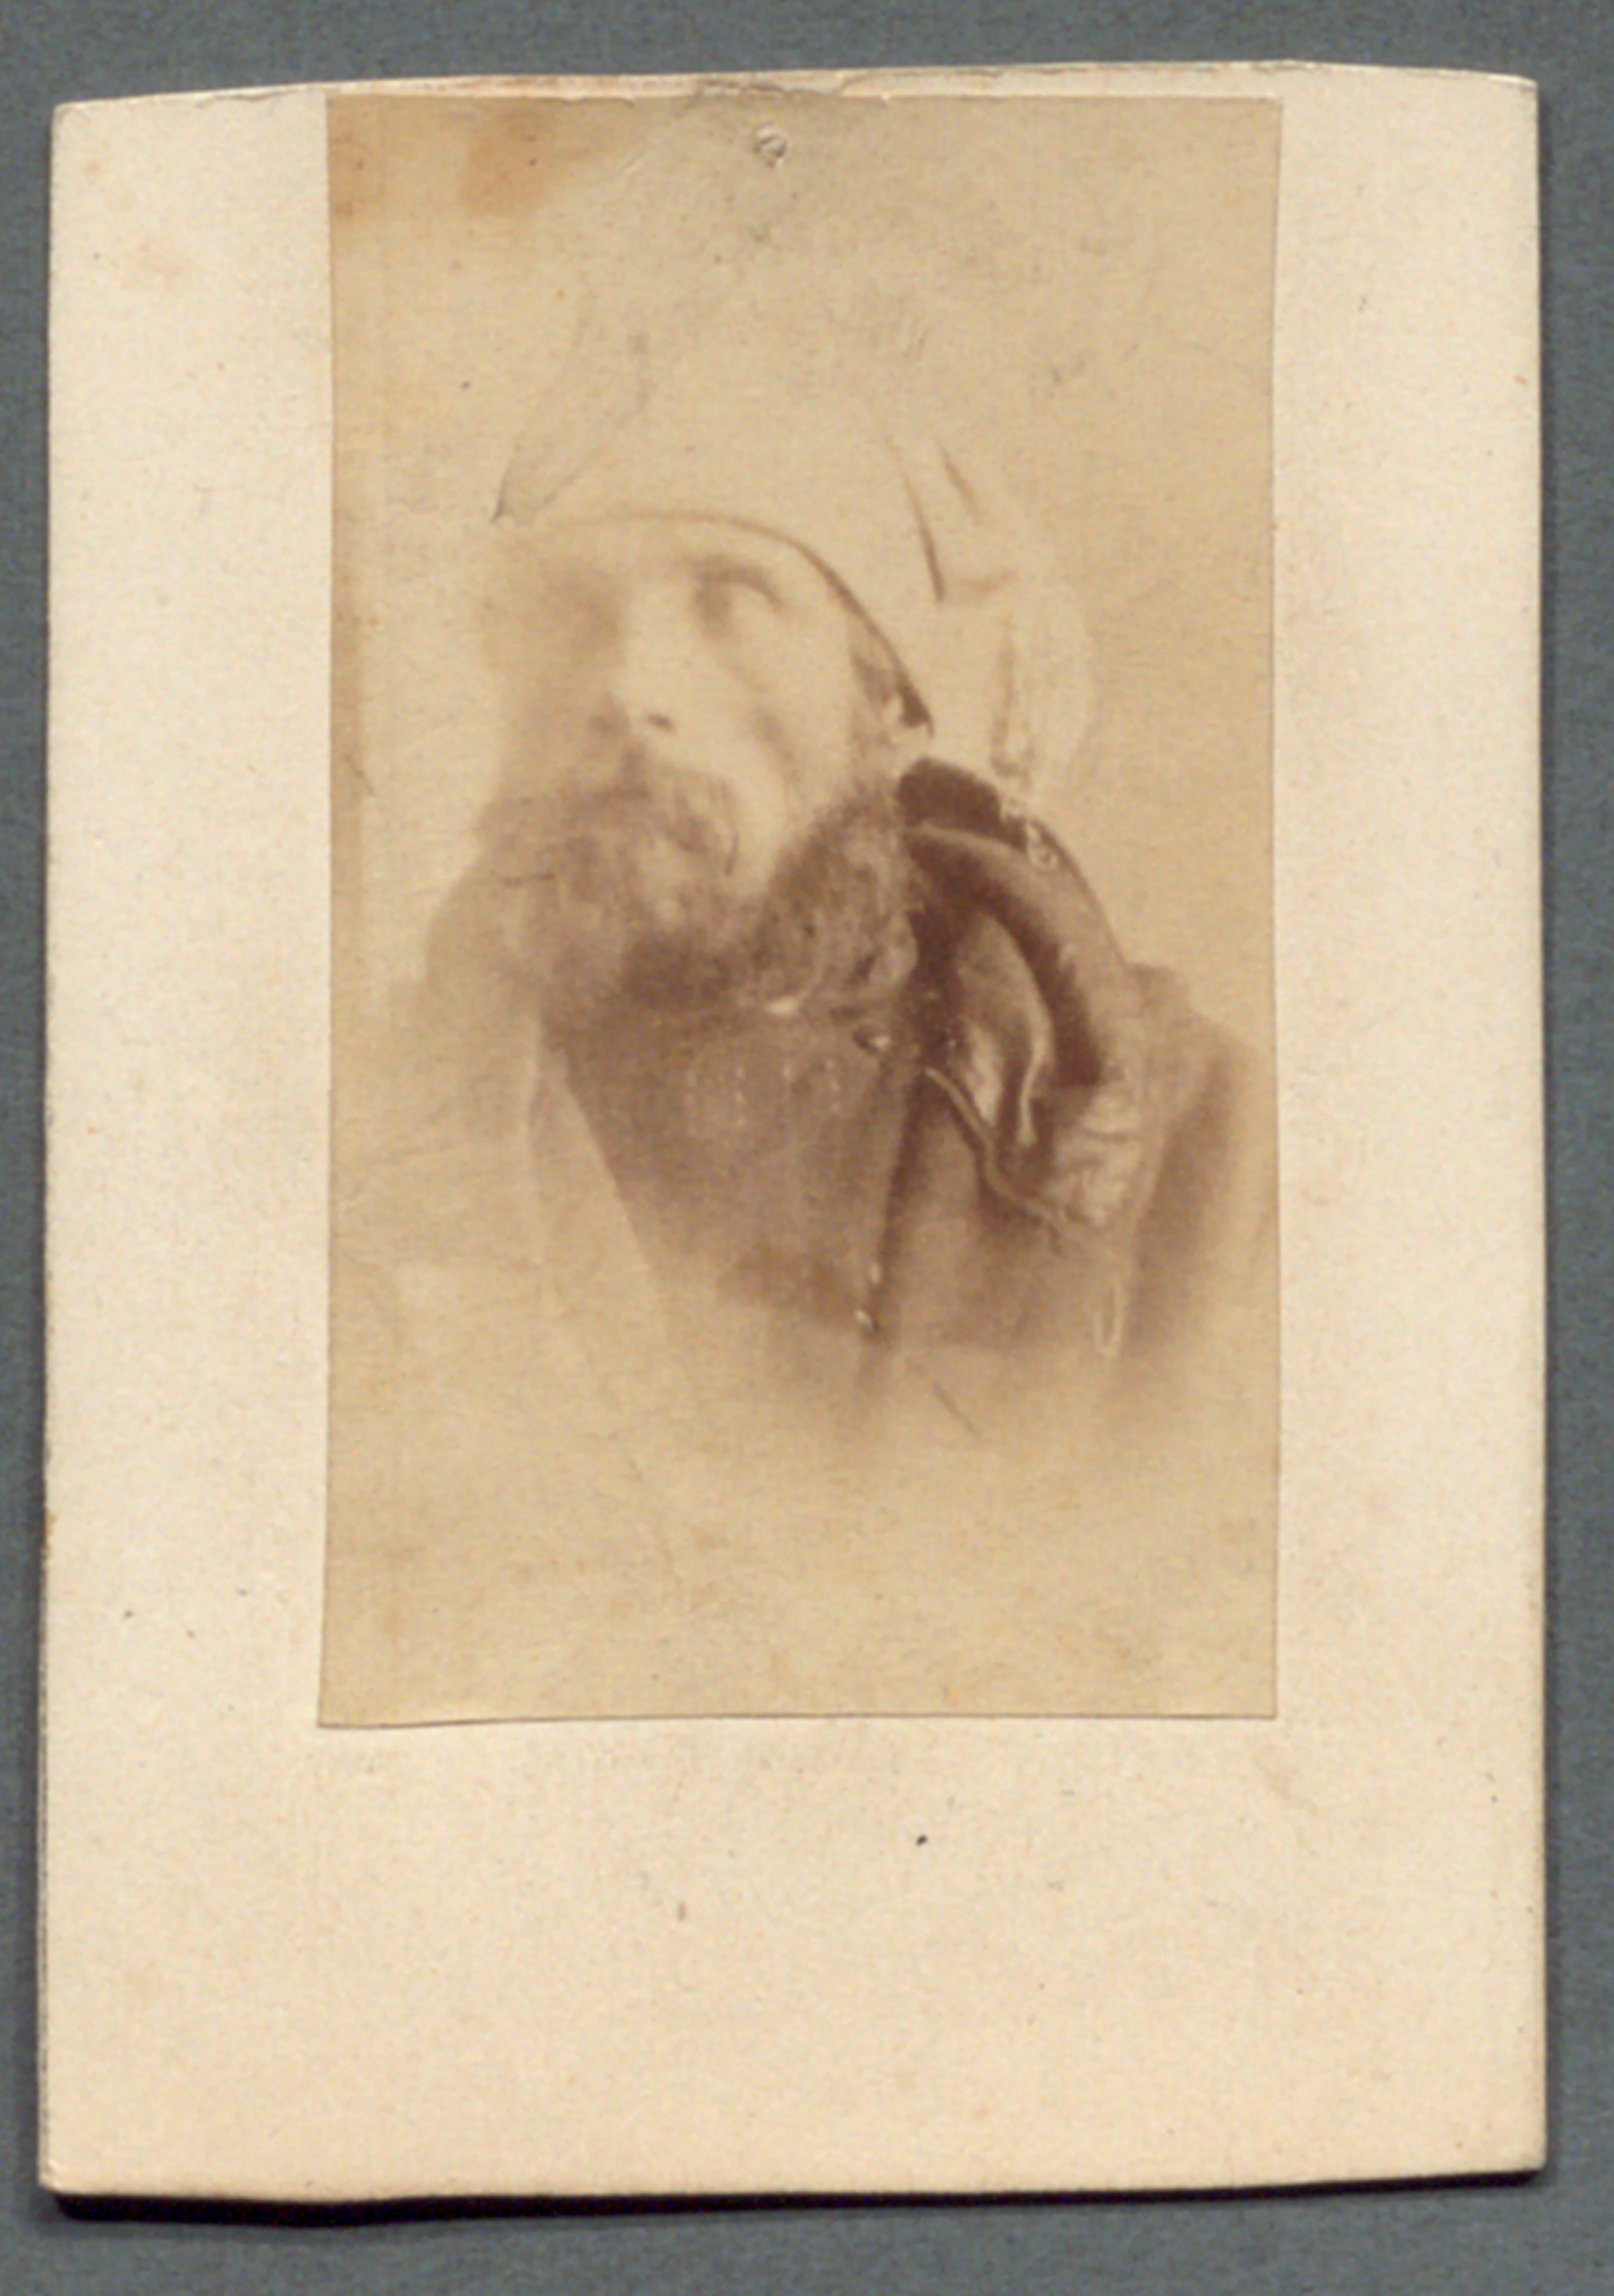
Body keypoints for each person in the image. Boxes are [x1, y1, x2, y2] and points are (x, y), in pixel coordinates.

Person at [380, 481, 1273, 1460]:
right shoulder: (363, 1117)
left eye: (728, 603)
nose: (626, 685)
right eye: (571, 614)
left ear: (888, 708)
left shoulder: (1206, 1147)